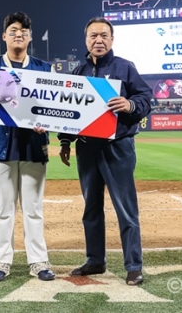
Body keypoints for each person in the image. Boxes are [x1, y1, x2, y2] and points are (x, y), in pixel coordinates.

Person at [58, 17, 152, 286]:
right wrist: (65, 141)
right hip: (86, 148)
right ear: (85, 40)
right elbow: (69, 112)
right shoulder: (78, 71)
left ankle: (133, 266)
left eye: (103, 35)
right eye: (93, 36)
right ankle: (95, 260)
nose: (98, 40)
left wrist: (130, 104)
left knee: (126, 208)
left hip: (117, 147)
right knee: (91, 209)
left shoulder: (125, 67)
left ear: (111, 39)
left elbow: (145, 99)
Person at [0, 11, 56, 282]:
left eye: (24, 31)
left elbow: (52, 109)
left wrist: (46, 122)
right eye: (14, 30)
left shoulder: (44, 68)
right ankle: (1, 261)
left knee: (33, 209)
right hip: (1, 147)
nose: (19, 34)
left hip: (33, 146)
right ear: (4, 36)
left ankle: (38, 261)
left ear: (30, 37)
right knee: (3, 210)